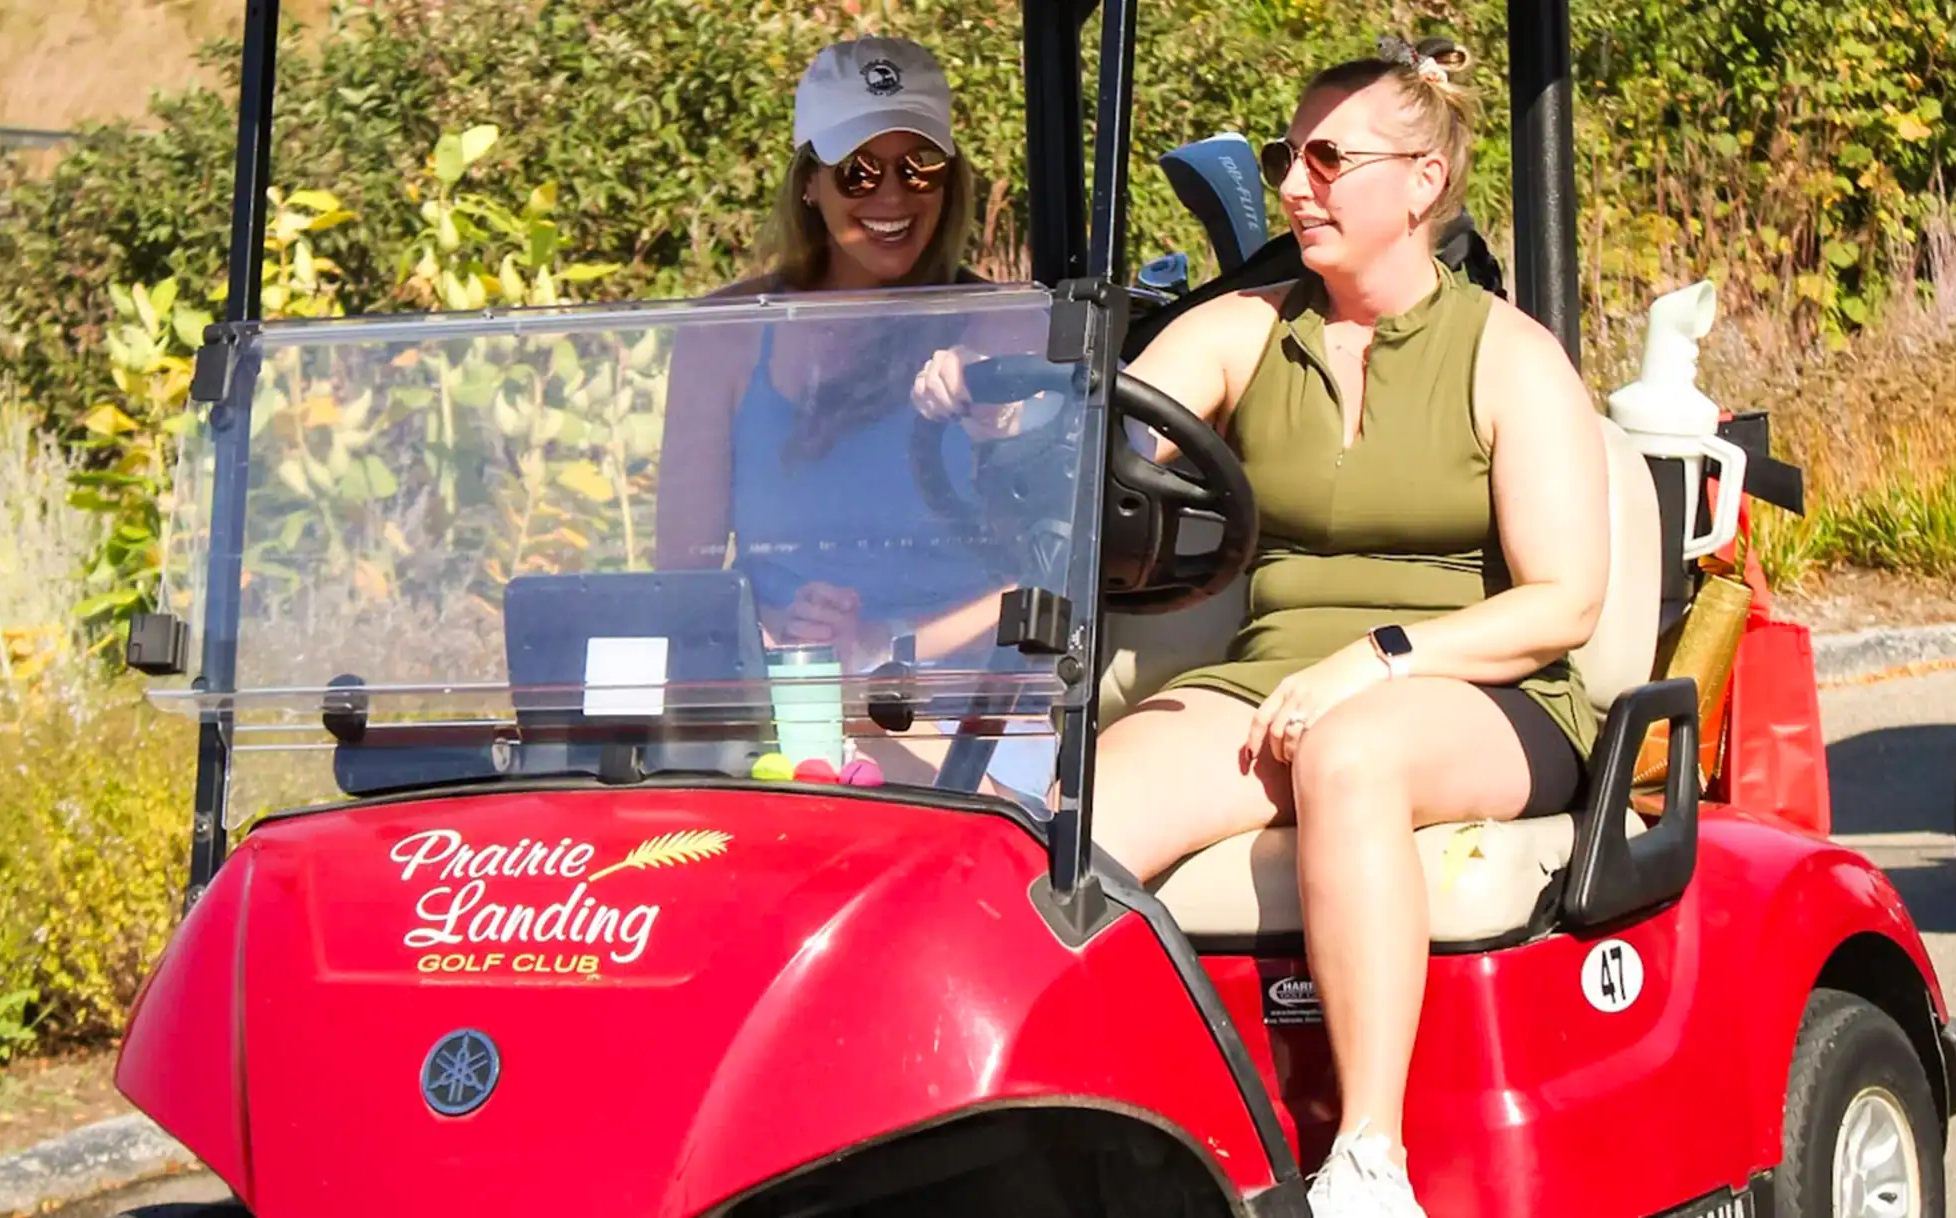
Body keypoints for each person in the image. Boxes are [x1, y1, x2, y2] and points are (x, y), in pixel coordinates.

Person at [1090, 36, 1610, 1218]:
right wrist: (994, 412)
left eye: (1326, 158)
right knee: (1073, 813)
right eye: (1288, 156)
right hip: (1270, 680)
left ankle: (1369, 1162)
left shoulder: (1509, 360)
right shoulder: (1245, 331)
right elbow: (1101, 452)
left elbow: (1563, 604)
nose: (1291, 186)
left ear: (1422, 180)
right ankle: (1079, 1123)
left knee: (1351, 751)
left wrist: (1373, 663)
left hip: (1485, 690)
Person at [652, 36, 1050, 789]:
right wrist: (775, 646)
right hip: (783, 690)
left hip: (971, 701)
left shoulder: (1010, 330)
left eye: (918, 167)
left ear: (951, 178)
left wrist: (882, 645)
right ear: (810, 183)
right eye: (859, 172)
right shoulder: (726, 335)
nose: (892, 197)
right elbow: (687, 578)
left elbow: (1055, 579)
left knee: (870, 777)